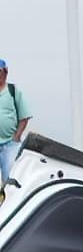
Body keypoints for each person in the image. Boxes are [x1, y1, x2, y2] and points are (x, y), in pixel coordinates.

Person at [0, 59, 32, 187]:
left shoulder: (13, 91)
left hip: (10, 145)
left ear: (5, 73)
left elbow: (24, 116)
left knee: (10, 180)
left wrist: (17, 136)